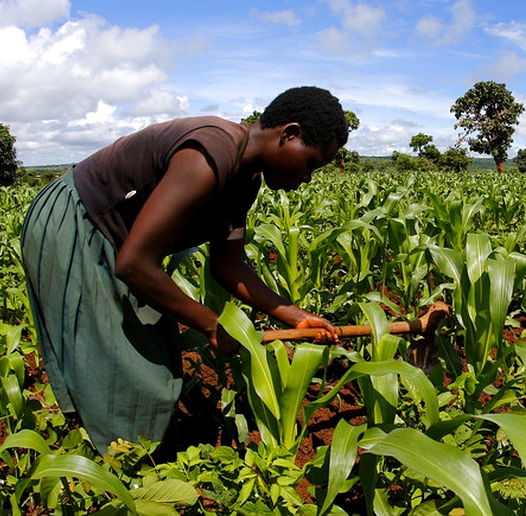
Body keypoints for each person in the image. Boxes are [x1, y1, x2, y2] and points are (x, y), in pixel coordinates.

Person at [21, 86, 349, 454]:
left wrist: (294, 315)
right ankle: (118, 471)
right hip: (81, 223)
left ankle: (131, 460)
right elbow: (133, 264)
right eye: (311, 164)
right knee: (130, 370)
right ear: (289, 134)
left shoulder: (245, 178)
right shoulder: (210, 153)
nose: (307, 178)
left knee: (150, 360)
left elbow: (228, 264)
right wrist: (211, 325)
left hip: (122, 245)